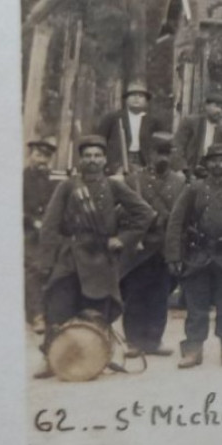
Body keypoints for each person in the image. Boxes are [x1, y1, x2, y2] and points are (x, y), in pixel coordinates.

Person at [34, 134, 155, 377]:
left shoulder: (114, 186)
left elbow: (145, 213)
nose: (92, 160)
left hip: (101, 259)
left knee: (97, 313)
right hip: (70, 257)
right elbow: (49, 225)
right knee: (58, 307)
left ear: (104, 159)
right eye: (87, 156)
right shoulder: (68, 186)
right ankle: (51, 359)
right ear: (80, 159)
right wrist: (46, 262)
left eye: (97, 156)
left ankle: (94, 358)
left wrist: (122, 239)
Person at [166, 141, 222, 368]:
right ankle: (193, 349)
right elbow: (176, 222)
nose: (218, 165)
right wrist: (173, 255)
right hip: (197, 256)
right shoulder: (193, 189)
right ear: (207, 163)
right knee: (196, 306)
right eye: (213, 160)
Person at [120, 132, 186, 358]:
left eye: (167, 152)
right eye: (159, 152)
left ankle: (154, 340)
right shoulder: (134, 180)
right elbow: (125, 215)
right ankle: (134, 341)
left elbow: (181, 215)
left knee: (160, 296)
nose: (163, 158)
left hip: (164, 247)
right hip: (140, 248)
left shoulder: (179, 181)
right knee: (135, 295)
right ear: (149, 153)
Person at [23, 136, 59, 331]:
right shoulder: (21, 178)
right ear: (30, 156)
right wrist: (32, 221)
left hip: (49, 232)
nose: (41, 160)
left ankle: (50, 313)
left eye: (46, 157)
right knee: (34, 269)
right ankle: (36, 315)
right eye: (38, 155)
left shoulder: (53, 181)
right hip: (28, 231)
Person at [94, 82, 164, 175]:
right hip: (118, 159)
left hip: (144, 160)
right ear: (126, 99)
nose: (136, 99)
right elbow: (100, 140)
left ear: (146, 101)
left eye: (140, 96)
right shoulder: (113, 118)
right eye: (133, 95)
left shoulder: (153, 121)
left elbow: (160, 143)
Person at [171, 90, 222, 178]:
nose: (220, 111)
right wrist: (181, 169)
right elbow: (178, 146)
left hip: (211, 173)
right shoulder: (191, 122)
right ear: (206, 106)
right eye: (216, 106)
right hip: (188, 169)